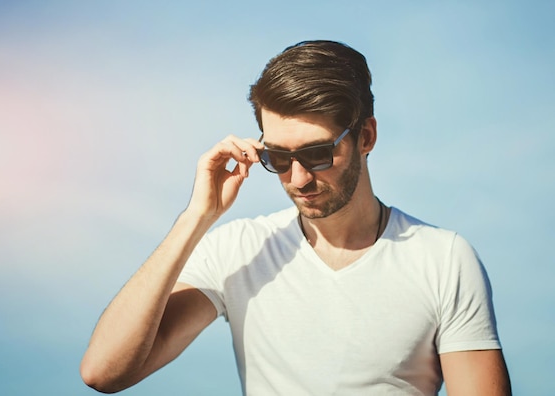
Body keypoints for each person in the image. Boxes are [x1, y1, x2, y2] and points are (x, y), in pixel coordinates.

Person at [80, 40, 511, 395]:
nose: (298, 177)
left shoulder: (442, 259)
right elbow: (105, 371)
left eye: (317, 153)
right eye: (278, 158)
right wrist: (196, 216)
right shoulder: (239, 250)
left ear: (366, 136)